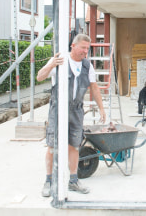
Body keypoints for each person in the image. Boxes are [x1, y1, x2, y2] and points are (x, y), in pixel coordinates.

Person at [37, 34, 106, 197]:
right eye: (83, 48)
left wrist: (101, 108)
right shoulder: (60, 61)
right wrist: (51, 64)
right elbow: (40, 76)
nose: (85, 51)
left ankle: (73, 180)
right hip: (58, 109)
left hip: (76, 110)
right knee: (52, 145)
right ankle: (49, 180)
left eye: (88, 49)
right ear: (73, 46)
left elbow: (94, 88)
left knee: (74, 145)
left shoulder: (87, 66)